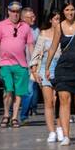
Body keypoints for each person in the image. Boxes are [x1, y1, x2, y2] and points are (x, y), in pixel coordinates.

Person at [46, 0, 75, 145]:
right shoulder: (59, 26)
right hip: (63, 68)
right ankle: (66, 135)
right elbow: (53, 47)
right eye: (66, 10)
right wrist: (47, 67)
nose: (70, 13)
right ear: (63, 12)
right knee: (64, 100)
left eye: (72, 10)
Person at [0, 1, 35, 128]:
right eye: (13, 11)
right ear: (8, 12)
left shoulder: (25, 27)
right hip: (5, 64)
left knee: (19, 93)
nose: (15, 14)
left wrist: (33, 63)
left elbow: (31, 45)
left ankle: (14, 117)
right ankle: (6, 114)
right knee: (8, 90)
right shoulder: (1, 25)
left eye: (17, 11)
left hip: (21, 65)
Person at [30, 11, 62, 142]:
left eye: (60, 19)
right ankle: (51, 131)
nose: (58, 21)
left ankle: (60, 128)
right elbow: (37, 53)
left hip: (61, 68)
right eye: (55, 19)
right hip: (45, 68)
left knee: (59, 101)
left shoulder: (64, 34)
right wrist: (34, 71)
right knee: (48, 102)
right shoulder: (43, 34)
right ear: (50, 20)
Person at [19, 7, 40, 120]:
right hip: (19, 64)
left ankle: (24, 114)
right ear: (23, 18)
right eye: (31, 17)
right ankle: (12, 112)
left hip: (32, 65)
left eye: (34, 16)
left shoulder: (36, 30)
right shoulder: (18, 29)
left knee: (30, 90)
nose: (34, 18)